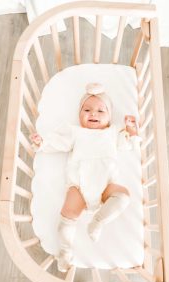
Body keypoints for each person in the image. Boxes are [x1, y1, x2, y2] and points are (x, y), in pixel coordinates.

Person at [30, 83, 141, 272]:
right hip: (79, 186)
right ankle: (65, 252)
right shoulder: (76, 132)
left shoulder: (113, 132)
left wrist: (131, 131)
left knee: (123, 196)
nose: (93, 114)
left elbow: (128, 144)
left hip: (106, 185)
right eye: (87, 110)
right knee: (67, 217)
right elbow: (60, 143)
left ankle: (98, 221)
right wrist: (43, 143)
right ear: (79, 115)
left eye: (100, 111)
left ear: (110, 116)